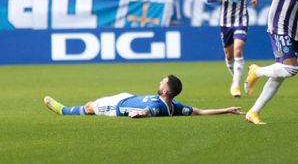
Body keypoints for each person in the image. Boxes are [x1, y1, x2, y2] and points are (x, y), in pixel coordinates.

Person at [44, 74, 243, 118]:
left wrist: (140, 115)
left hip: (118, 107)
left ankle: (64, 111)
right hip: (127, 96)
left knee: (89, 107)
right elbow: (199, 111)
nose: (160, 82)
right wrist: (226, 109)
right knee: (92, 104)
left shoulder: (160, 106)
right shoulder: (175, 105)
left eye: (162, 82)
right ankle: (67, 110)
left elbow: (149, 111)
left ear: (166, 91)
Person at [206, 0, 257, 98]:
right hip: (225, 22)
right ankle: (238, 79)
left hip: (241, 20)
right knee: (229, 56)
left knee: (238, 50)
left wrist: (254, 0)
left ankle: (235, 85)